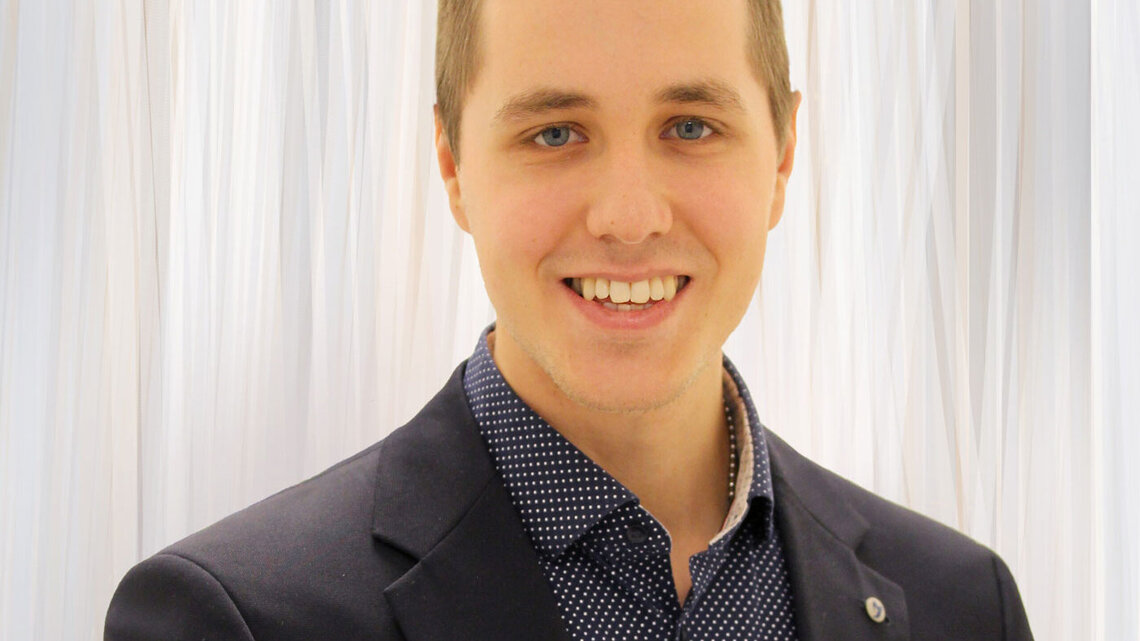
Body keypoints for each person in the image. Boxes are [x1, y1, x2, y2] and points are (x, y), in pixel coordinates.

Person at [105, 1, 1034, 639]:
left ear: (784, 155)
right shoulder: (235, 618)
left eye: (690, 126)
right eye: (554, 134)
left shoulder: (963, 606)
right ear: (453, 164)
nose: (629, 218)